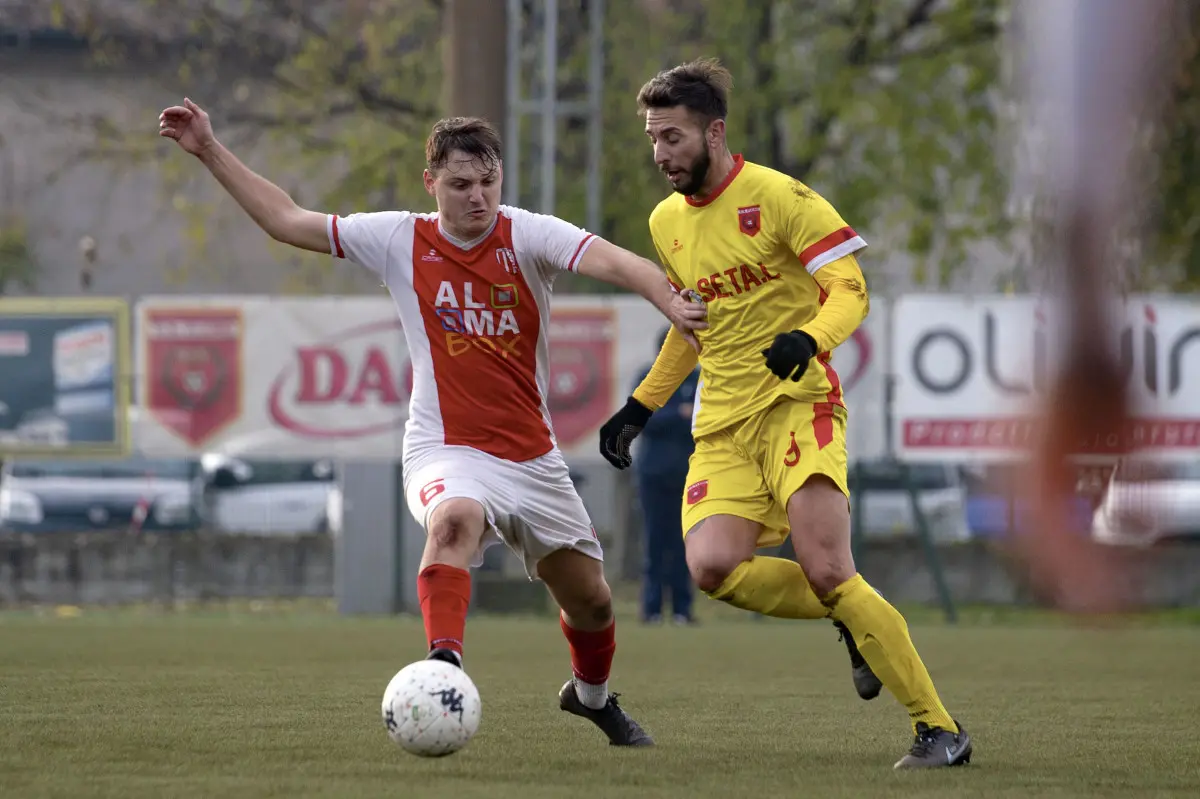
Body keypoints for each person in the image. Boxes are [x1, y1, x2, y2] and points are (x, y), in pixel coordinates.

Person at [158, 99, 709, 747]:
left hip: (532, 457)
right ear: (431, 184)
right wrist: (208, 148)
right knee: (454, 520)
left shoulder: (527, 233)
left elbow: (619, 263)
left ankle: (591, 697)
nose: (478, 197)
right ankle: (442, 666)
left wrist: (669, 298)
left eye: (488, 181)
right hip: (444, 446)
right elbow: (287, 220)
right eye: (460, 184)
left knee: (591, 600)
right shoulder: (399, 237)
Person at [596, 59, 970, 769]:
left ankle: (939, 727)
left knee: (826, 566)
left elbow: (849, 287)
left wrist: (810, 338)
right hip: (722, 424)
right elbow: (689, 323)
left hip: (800, 405)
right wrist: (641, 404)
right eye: (652, 138)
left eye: (672, 137)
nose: (660, 154)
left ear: (715, 130)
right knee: (712, 568)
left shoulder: (780, 196)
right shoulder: (665, 222)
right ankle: (856, 621)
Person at [633, 327, 698, 625]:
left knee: (685, 544)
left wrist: (682, 416)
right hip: (654, 475)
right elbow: (641, 418)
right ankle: (652, 609)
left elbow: (706, 417)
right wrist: (678, 415)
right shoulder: (650, 378)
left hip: (691, 475)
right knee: (655, 542)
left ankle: (683, 610)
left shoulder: (699, 379)